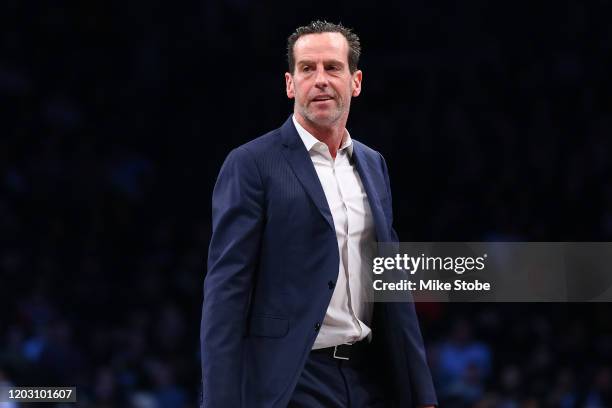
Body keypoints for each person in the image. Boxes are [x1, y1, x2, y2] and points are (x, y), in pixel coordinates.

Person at [201, 20, 437, 408]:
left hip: (368, 377)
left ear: (355, 81)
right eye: (307, 69)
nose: (321, 79)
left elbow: (390, 280)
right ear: (291, 84)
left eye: (332, 67)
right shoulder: (251, 164)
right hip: (293, 378)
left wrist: (421, 391)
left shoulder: (373, 163)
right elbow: (226, 292)